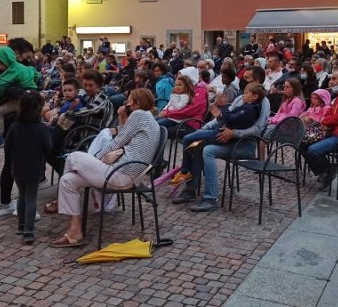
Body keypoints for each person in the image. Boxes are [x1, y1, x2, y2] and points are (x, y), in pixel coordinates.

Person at [51, 88, 160, 247]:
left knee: (73, 157)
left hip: (120, 174)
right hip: (124, 173)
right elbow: (124, 137)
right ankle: (75, 231)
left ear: (136, 103)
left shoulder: (139, 115)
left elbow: (117, 141)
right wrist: (122, 118)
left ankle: (62, 202)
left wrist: (95, 159)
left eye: (129, 99)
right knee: (67, 181)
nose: (126, 102)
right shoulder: (147, 118)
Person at [173, 66, 269, 209]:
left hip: (243, 144)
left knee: (208, 150)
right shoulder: (240, 98)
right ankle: (190, 189)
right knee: (197, 145)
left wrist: (234, 133)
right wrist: (204, 129)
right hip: (226, 138)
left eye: (247, 78)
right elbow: (221, 117)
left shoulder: (263, 103)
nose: (243, 80)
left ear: (257, 81)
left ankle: (211, 198)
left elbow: (257, 129)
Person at [6, 91, 52, 245]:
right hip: (34, 166)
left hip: (18, 165)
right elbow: (48, 147)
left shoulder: (15, 126)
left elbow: (8, 146)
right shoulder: (41, 128)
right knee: (31, 197)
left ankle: (20, 225)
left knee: (21, 195)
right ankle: (29, 230)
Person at [0, 47, 41, 151]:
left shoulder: (12, 69)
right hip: (32, 95)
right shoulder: (22, 66)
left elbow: (1, 84)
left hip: (21, 99)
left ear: (5, 61)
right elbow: (35, 74)